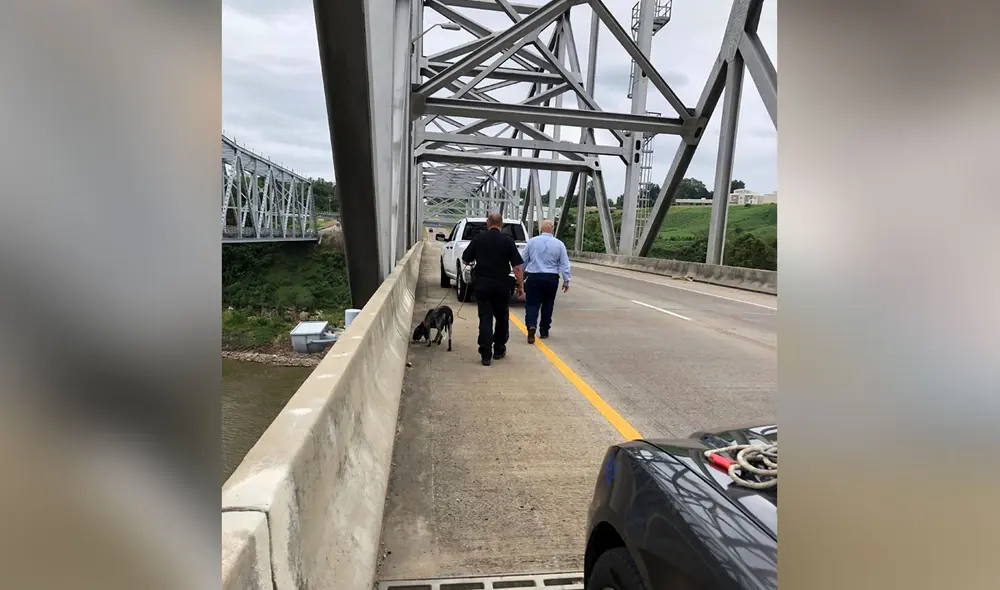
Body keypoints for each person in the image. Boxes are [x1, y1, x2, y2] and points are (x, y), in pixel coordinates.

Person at [461, 212, 525, 366]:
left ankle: (485, 353)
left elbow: (465, 259)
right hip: (502, 285)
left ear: (487, 222)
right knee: (502, 317)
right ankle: (499, 349)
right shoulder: (508, 241)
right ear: (501, 224)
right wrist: (521, 285)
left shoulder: (478, 238)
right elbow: (517, 267)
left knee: (485, 317)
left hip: (482, 285)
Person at [520, 219, 571, 343]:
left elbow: (522, 261)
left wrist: (519, 278)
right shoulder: (559, 244)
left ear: (541, 229)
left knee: (532, 304)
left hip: (534, 277)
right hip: (551, 278)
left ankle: (531, 326)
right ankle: (544, 331)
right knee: (548, 304)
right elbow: (564, 264)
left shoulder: (532, 242)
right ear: (552, 229)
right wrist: (566, 280)